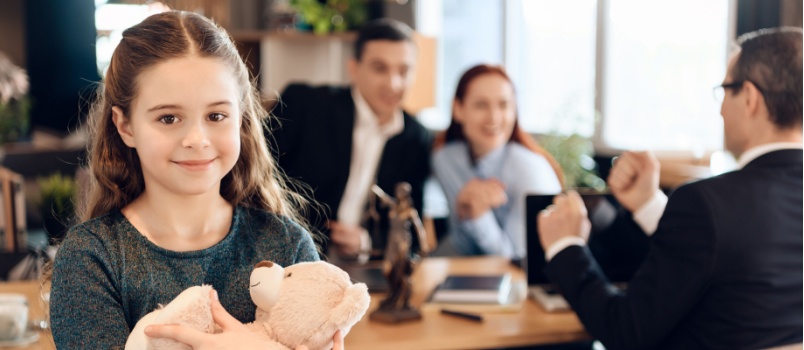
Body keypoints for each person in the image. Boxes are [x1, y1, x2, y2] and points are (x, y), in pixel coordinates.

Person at [48, 11, 343, 349]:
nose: (197, 139)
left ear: (240, 118)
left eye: (216, 115)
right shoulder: (91, 258)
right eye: (169, 117)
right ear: (125, 125)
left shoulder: (288, 245)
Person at [538, 27, 802, 349]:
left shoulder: (705, 202)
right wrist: (649, 204)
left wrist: (564, 247)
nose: (719, 110)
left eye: (724, 90)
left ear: (749, 98)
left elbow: (625, 330)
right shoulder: (715, 209)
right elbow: (729, 253)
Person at [268, 18, 432, 260]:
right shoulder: (305, 105)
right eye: (380, 68)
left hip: (364, 270)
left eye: (404, 70)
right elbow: (253, 175)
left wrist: (365, 241)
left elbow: (410, 231)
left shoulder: (416, 137)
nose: (393, 83)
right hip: (288, 256)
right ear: (354, 68)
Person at [431, 64, 563, 259]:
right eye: (481, 105)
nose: (494, 117)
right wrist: (465, 213)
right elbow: (462, 244)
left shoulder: (529, 171)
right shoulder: (446, 160)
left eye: (504, 105)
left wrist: (478, 216)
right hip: (471, 270)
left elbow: (517, 262)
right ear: (458, 109)